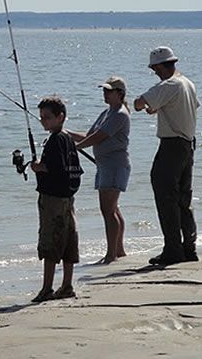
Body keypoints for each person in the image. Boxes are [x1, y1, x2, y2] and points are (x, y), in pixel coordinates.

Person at [133, 46, 200, 265]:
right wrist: (159, 107)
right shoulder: (188, 84)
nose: (155, 72)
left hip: (171, 145)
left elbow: (138, 103)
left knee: (165, 196)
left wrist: (150, 105)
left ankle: (173, 249)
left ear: (162, 65)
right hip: (188, 144)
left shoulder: (169, 84)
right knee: (183, 197)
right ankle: (189, 247)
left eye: (155, 68)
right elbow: (183, 107)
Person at [66, 76, 131, 264]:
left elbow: (99, 138)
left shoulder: (120, 113)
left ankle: (111, 254)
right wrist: (65, 132)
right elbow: (88, 136)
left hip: (115, 165)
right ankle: (119, 251)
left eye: (109, 91)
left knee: (108, 210)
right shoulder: (106, 113)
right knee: (113, 209)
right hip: (105, 165)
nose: (105, 93)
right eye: (104, 90)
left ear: (119, 94)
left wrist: (76, 148)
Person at [30, 96, 83, 302]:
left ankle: (47, 289)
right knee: (69, 240)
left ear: (60, 117)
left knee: (50, 242)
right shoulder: (68, 139)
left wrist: (37, 166)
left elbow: (54, 168)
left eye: (48, 117)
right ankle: (67, 285)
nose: (43, 121)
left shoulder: (55, 140)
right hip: (68, 198)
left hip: (53, 199)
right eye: (41, 117)